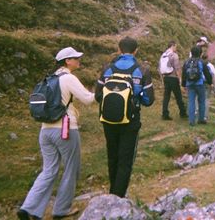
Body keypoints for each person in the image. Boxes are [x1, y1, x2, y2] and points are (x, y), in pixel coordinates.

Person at [18, 47, 95, 220]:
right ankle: (61, 210)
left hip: (45, 130)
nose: (78, 60)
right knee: (70, 168)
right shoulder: (68, 78)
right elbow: (88, 99)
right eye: (75, 58)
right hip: (65, 129)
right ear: (67, 61)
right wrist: (106, 90)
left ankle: (29, 208)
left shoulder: (49, 79)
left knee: (48, 170)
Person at [95, 37, 154, 197]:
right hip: (130, 121)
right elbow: (149, 100)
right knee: (125, 159)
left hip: (108, 119)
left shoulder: (107, 68)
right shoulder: (142, 70)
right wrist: (136, 97)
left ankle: (112, 191)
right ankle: (118, 196)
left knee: (112, 155)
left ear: (119, 49)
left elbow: (98, 95)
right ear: (136, 50)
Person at [160, 41, 186, 120]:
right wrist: (180, 78)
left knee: (166, 96)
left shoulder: (163, 55)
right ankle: (182, 112)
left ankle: (164, 113)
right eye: (175, 46)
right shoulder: (174, 55)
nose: (176, 48)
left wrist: (162, 79)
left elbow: (159, 68)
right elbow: (177, 68)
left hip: (165, 77)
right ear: (173, 46)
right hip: (173, 77)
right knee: (178, 96)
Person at [182, 46, 207, 126]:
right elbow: (207, 73)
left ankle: (191, 121)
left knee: (191, 101)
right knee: (202, 101)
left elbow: (184, 74)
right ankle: (201, 119)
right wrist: (210, 82)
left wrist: (183, 84)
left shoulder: (186, 62)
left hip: (189, 84)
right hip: (200, 84)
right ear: (200, 53)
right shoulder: (201, 62)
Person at [201, 54, 215, 120]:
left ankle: (198, 114)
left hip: (200, 83)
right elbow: (214, 75)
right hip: (208, 83)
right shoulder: (210, 65)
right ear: (207, 58)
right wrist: (213, 84)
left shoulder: (199, 64)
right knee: (206, 99)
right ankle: (205, 116)